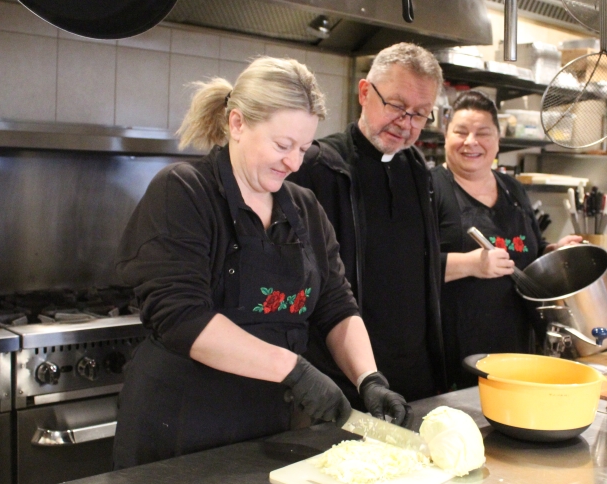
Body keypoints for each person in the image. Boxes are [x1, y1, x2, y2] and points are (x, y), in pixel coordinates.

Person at [112, 57, 410, 469]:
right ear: (237, 124)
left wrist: (368, 378)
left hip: (270, 428)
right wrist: (294, 370)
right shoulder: (183, 192)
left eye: (304, 148)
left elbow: (336, 305)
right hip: (182, 427)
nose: (294, 163)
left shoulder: (303, 207)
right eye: (282, 145)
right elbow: (181, 317)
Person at [287, 43, 446, 408]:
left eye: (420, 114)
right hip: (342, 378)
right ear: (364, 93)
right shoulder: (318, 166)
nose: (405, 124)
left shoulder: (419, 170)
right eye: (396, 106)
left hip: (414, 375)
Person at [433, 90, 581, 390]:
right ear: (445, 137)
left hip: (516, 350)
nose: (471, 142)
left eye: (482, 133)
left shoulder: (513, 189)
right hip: (453, 355)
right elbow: (403, 268)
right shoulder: (429, 189)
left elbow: (531, 251)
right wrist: (470, 264)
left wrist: (553, 252)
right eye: (460, 132)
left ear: (498, 141)